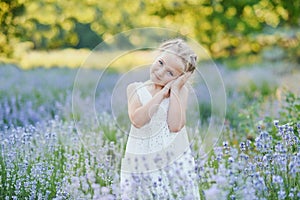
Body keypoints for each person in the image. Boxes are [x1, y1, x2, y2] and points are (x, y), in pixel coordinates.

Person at [120, 38, 200, 199]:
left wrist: (175, 89)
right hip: (140, 157)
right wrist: (162, 94)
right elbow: (138, 120)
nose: (160, 72)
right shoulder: (135, 88)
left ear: (179, 78)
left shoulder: (179, 92)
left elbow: (175, 125)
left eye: (170, 73)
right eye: (161, 63)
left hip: (171, 159)